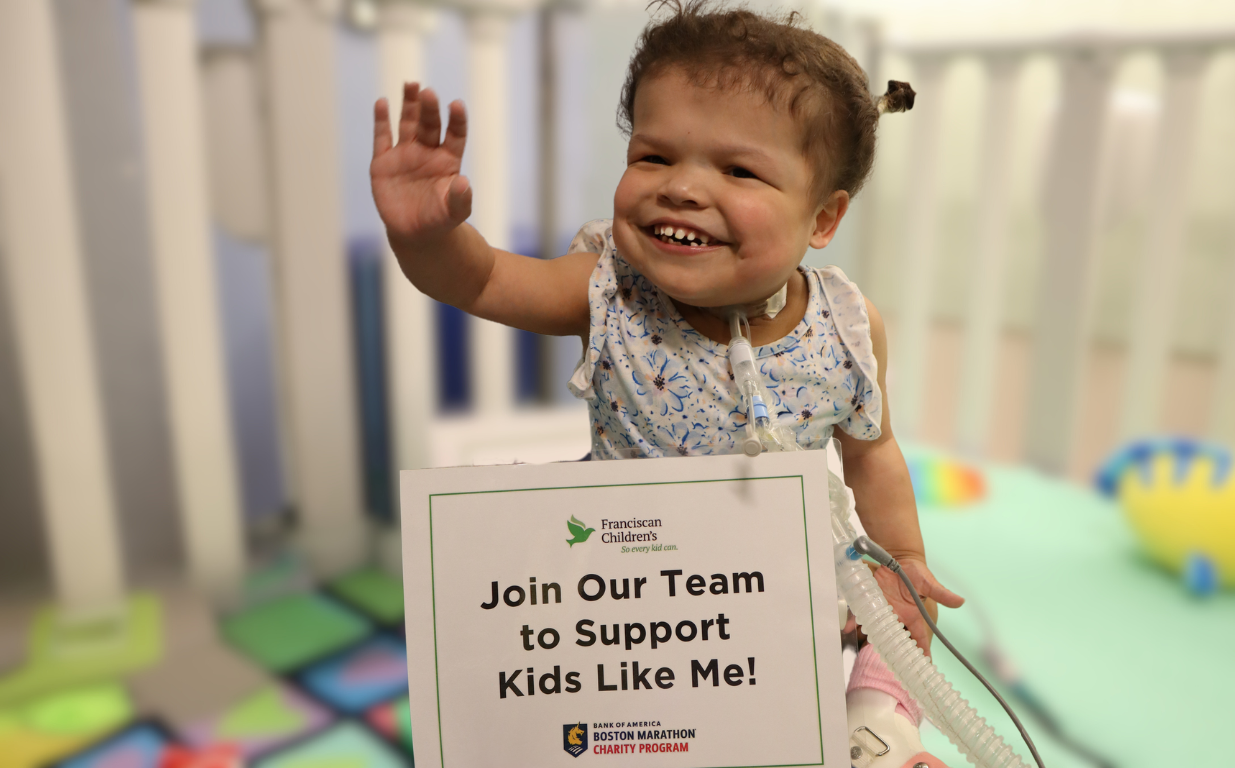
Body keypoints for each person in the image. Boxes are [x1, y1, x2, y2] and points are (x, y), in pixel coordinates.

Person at [371, 1, 960, 762]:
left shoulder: (846, 325)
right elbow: (483, 281)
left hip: (773, 586)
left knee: (900, 615)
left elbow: (872, 453)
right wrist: (428, 237)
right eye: (653, 157)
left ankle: (878, 729)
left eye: (739, 170)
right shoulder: (608, 291)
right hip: (630, 599)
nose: (681, 187)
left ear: (824, 218)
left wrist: (903, 556)